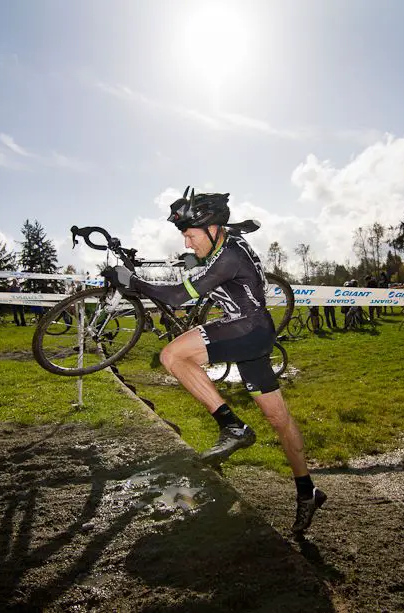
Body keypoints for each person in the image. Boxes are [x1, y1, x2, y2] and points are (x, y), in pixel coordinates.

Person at [101, 187, 326, 535]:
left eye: (190, 236)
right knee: (279, 418)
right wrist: (195, 262)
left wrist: (134, 282)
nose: (187, 243)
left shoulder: (228, 256)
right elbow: (210, 261)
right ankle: (306, 490)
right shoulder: (224, 244)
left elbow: (177, 298)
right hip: (255, 332)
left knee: (172, 355)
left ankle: (232, 425)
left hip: (245, 328)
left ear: (211, 228)